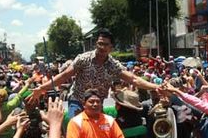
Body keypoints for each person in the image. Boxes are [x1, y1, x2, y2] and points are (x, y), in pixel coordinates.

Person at [29, 29, 161, 119]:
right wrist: (41, 88)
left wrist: (155, 87)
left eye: (105, 45)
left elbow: (134, 79)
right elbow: (64, 76)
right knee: (75, 128)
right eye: (99, 43)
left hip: (97, 105)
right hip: (78, 101)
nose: (101, 47)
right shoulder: (83, 59)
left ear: (111, 48)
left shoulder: (113, 65)